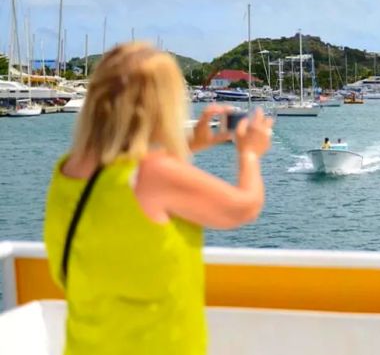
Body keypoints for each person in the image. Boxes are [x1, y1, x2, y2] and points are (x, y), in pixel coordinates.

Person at [43, 42, 274, 355]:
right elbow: (244, 207)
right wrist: (249, 153)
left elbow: (124, 178)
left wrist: (192, 143)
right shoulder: (154, 175)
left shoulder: (70, 169)